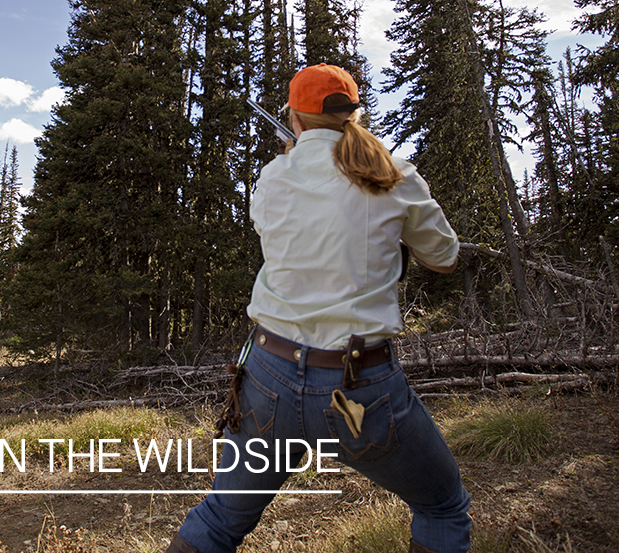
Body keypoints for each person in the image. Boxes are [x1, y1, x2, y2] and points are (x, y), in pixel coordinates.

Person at [165, 63, 471, 553]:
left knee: (221, 517)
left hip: (268, 376)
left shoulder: (273, 179)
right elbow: (445, 257)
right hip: (360, 382)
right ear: (354, 114)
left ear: (295, 117)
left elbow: (290, 236)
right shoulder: (394, 176)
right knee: (443, 507)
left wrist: (297, 156)